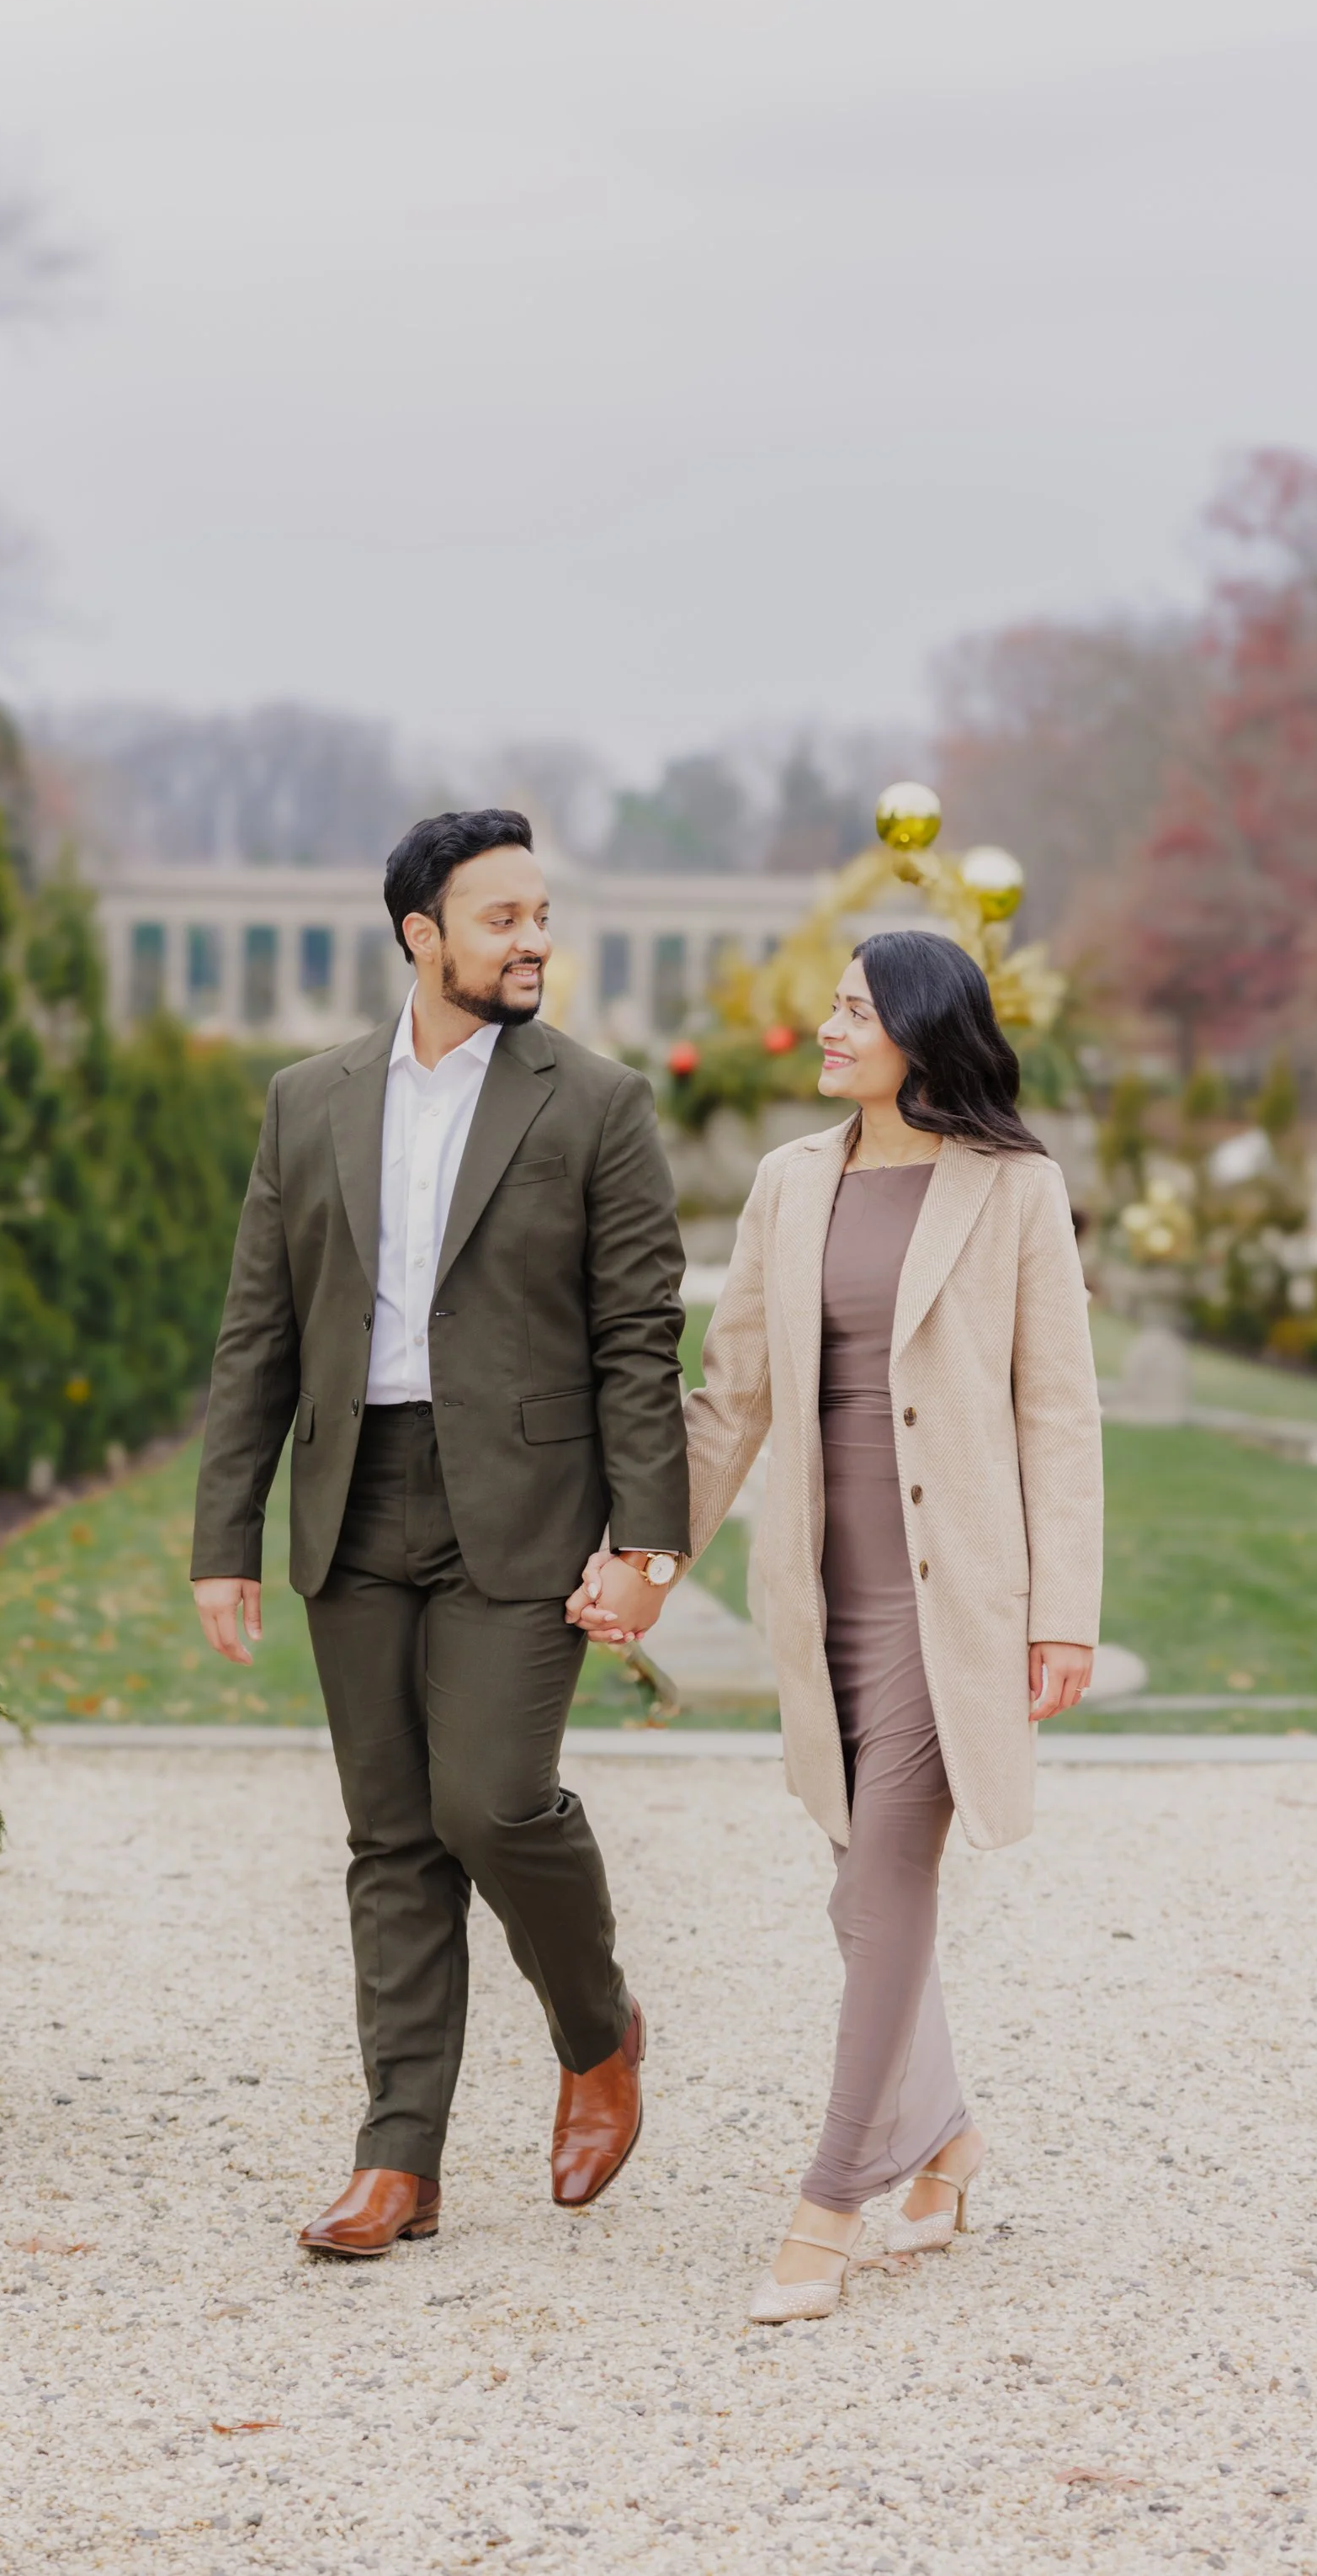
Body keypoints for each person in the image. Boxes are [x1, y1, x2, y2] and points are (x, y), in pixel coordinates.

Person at [575, 929, 1101, 2324]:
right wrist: (648, 1555)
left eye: (857, 1008)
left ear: (926, 1029)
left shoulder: (1016, 1190)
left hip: (959, 1606)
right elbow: (732, 1393)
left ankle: (829, 2206)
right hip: (822, 1596)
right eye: (832, 1004)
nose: (828, 1024)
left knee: (882, 1889)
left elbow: (1058, 1408)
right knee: (863, 1897)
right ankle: (951, 2143)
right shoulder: (789, 1184)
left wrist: (1066, 1614)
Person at [190, 810, 691, 2258]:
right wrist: (227, 1530)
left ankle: (599, 2032)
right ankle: (397, 2159)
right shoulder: (309, 1100)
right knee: (391, 1838)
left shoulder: (596, 1104)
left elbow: (639, 1341)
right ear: (421, 934)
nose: (532, 940)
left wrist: (646, 1547)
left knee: (489, 1801)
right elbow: (257, 1331)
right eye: (501, 918)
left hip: (525, 1510)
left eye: (541, 915)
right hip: (356, 1496)